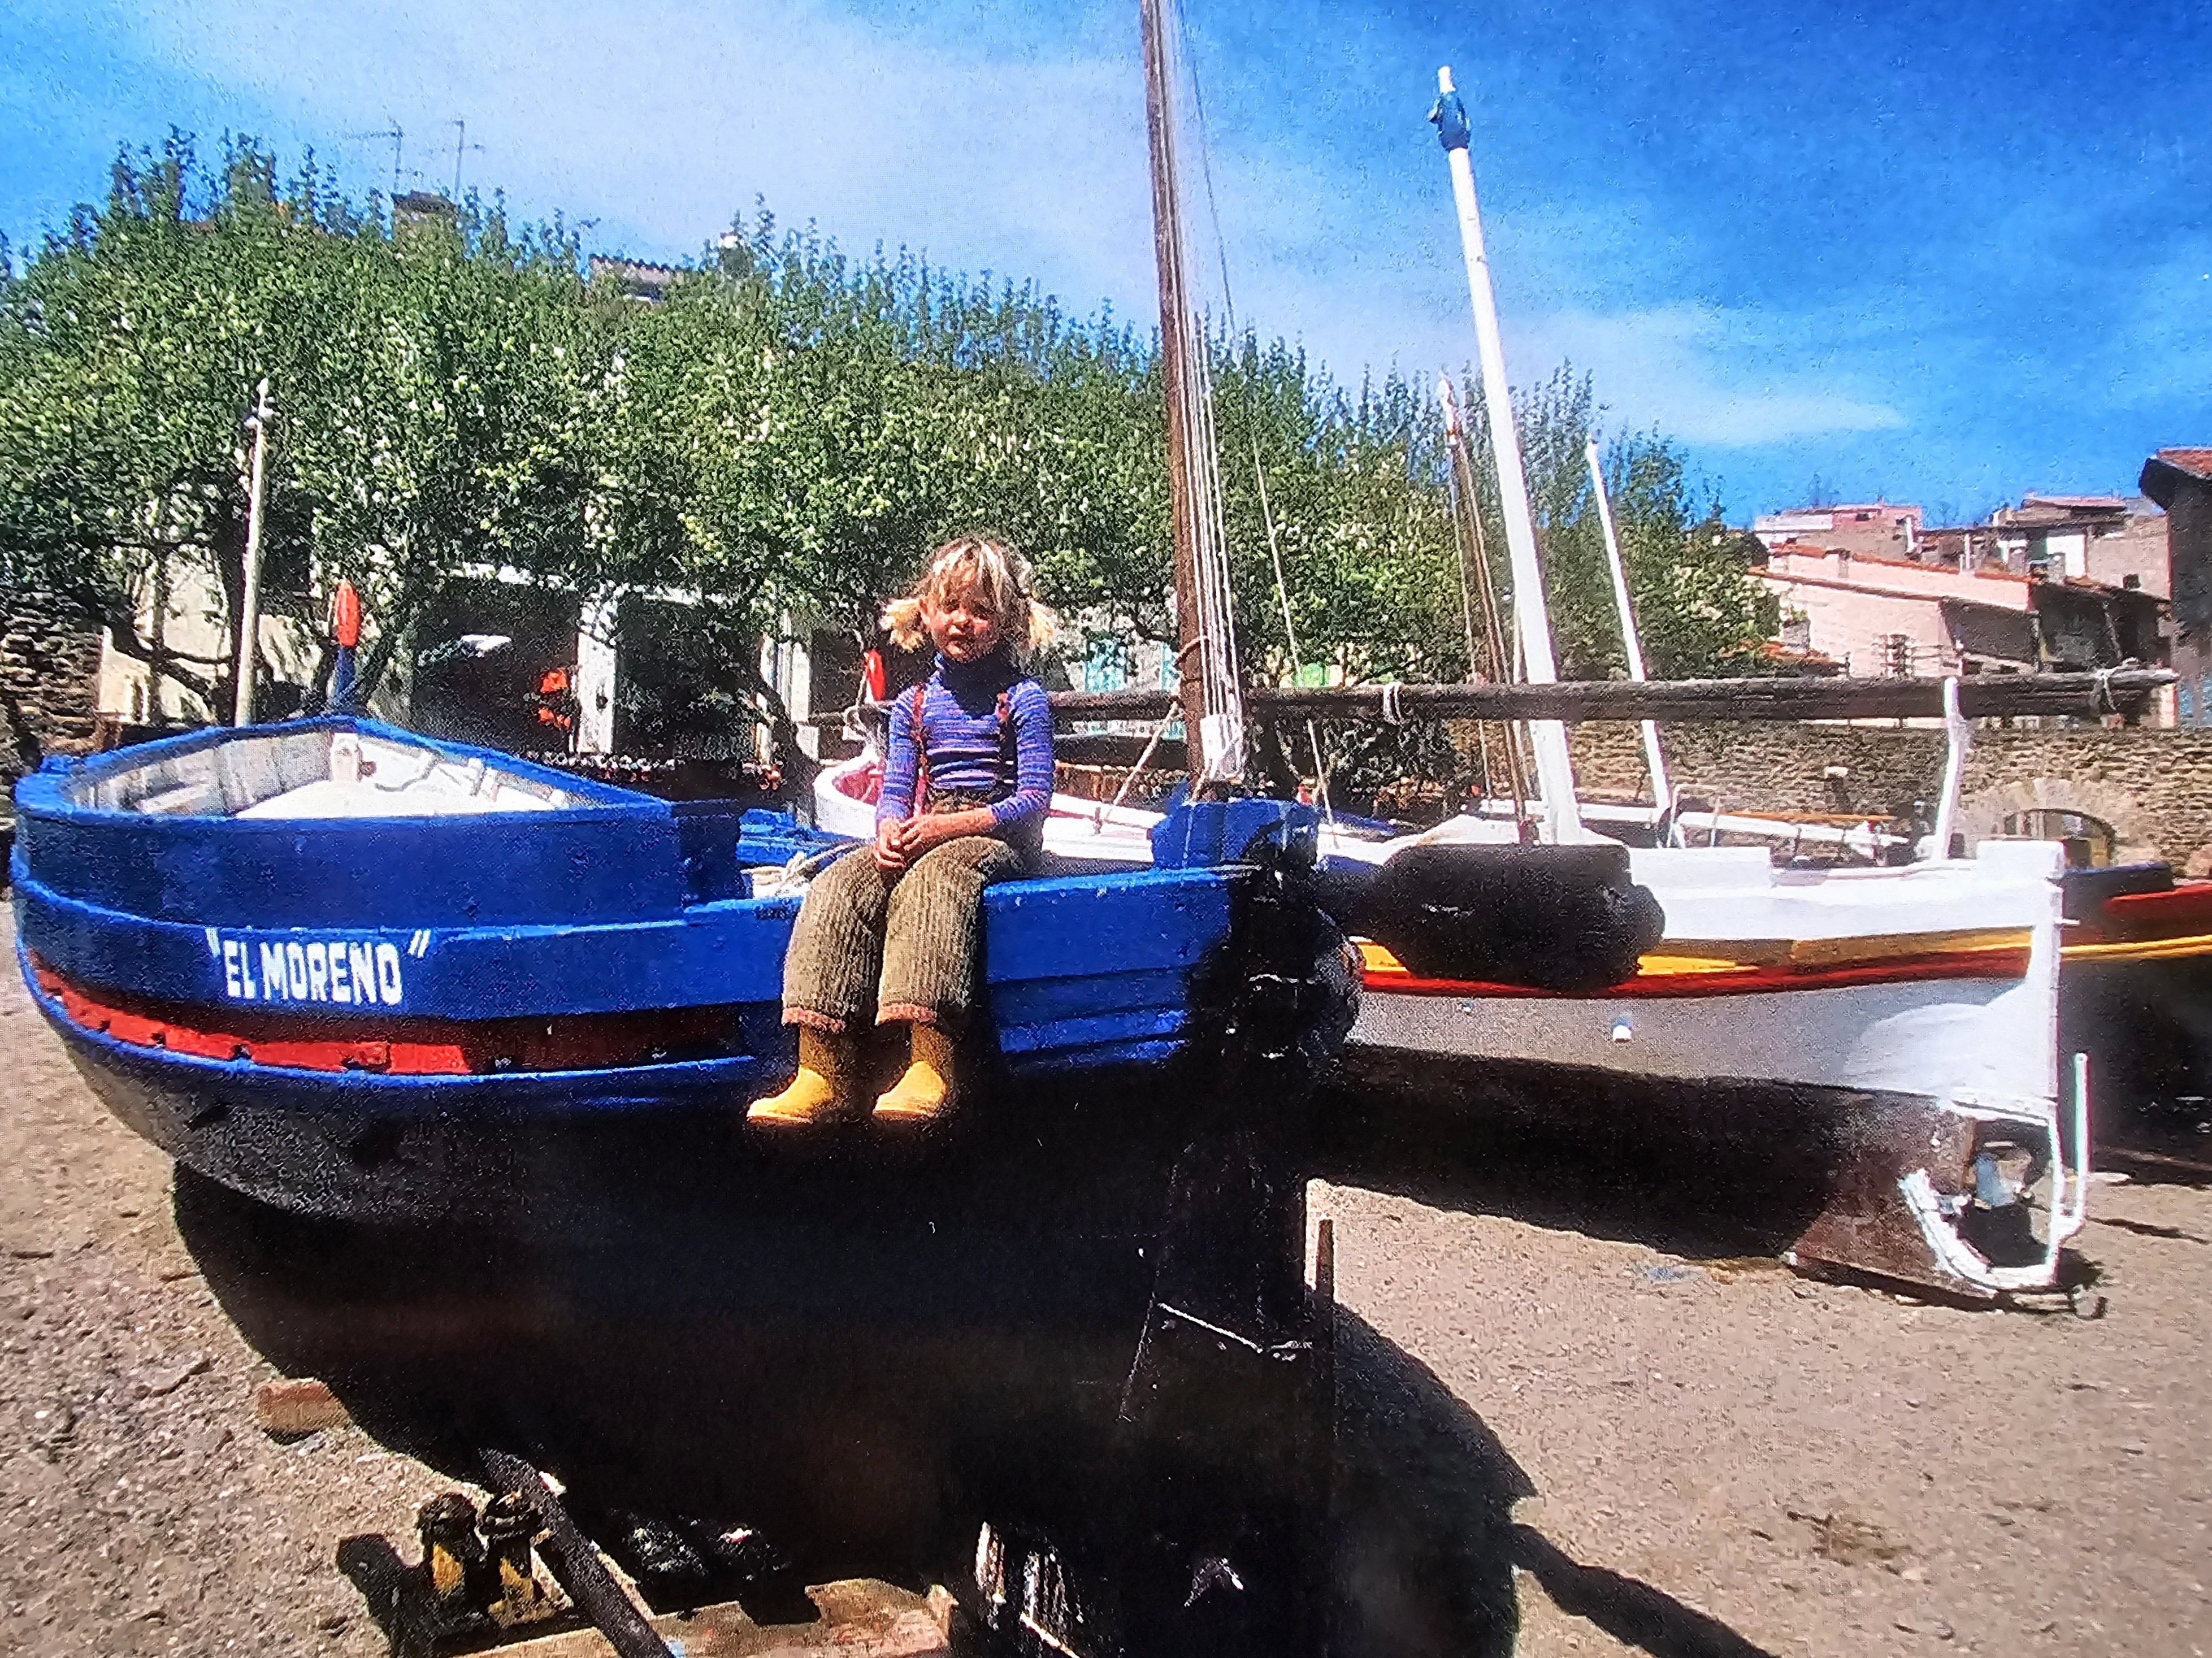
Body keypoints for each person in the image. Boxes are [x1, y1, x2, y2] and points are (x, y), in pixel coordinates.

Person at [748, 534, 1056, 1129]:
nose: (962, 621)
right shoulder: (914, 704)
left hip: (993, 835)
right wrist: (889, 829)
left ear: (1008, 622)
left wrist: (949, 828)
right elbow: (894, 792)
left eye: (980, 611)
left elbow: (1032, 802)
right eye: (950, 606)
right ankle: (820, 1069)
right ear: (926, 613)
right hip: (927, 824)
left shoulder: (1023, 699)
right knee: (841, 882)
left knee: (934, 880)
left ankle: (929, 1062)